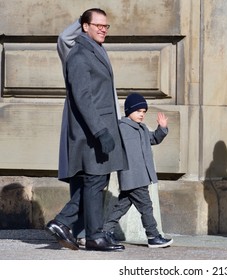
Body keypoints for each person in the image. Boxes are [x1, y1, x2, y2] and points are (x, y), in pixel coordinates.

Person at [46, 8, 127, 251]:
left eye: (106, 26)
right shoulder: (79, 54)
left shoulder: (96, 50)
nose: (103, 29)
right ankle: (63, 222)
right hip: (90, 131)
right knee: (94, 180)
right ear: (84, 26)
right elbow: (82, 97)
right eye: (98, 25)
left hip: (99, 128)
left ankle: (94, 235)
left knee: (96, 180)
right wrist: (100, 131)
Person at [103, 93, 173, 248]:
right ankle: (153, 236)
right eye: (138, 111)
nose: (141, 114)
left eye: (143, 111)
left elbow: (154, 138)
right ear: (129, 111)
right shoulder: (121, 127)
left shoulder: (142, 129)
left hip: (140, 176)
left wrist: (162, 128)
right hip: (132, 176)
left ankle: (105, 231)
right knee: (146, 206)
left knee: (121, 206)